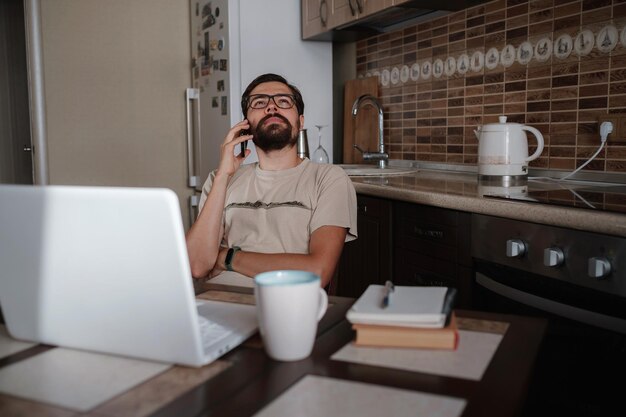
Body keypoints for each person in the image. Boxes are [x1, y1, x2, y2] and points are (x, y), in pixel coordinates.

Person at [186, 73, 357, 288]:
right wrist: (222, 176)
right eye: (259, 102)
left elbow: (317, 271)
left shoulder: (328, 179)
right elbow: (196, 265)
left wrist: (227, 258)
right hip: (218, 301)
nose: (272, 107)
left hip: (287, 304)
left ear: (300, 121)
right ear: (246, 125)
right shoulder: (219, 178)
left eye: (283, 101)